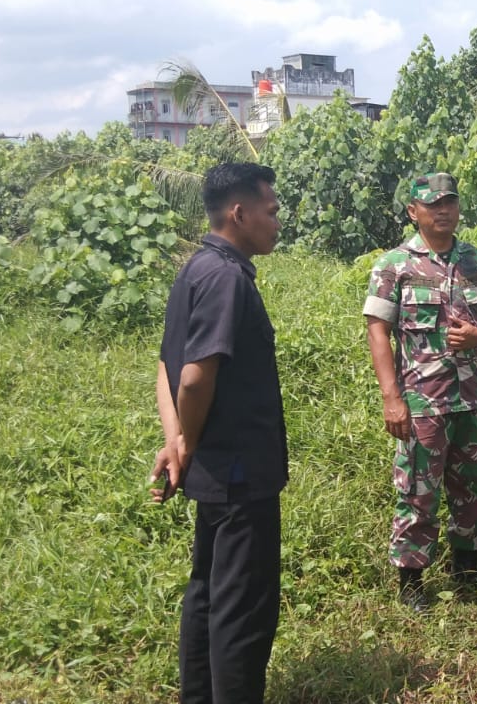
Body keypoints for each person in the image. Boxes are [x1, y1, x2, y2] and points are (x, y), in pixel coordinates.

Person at [151, 162, 287, 704]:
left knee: (207, 592)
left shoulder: (195, 269)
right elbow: (192, 376)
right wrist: (185, 438)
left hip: (215, 469)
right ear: (240, 213)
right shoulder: (227, 278)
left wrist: (178, 441)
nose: (278, 222)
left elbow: (164, 365)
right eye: (271, 211)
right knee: (243, 610)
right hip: (239, 476)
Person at [363, 172, 477, 612]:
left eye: (450, 202)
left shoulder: (476, 260)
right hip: (423, 401)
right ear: (414, 212)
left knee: (475, 486)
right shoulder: (394, 265)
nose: (443, 210)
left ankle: (467, 568)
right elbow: (377, 331)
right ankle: (411, 582)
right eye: (432, 204)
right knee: (417, 491)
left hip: (473, 400)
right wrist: (393, 398)